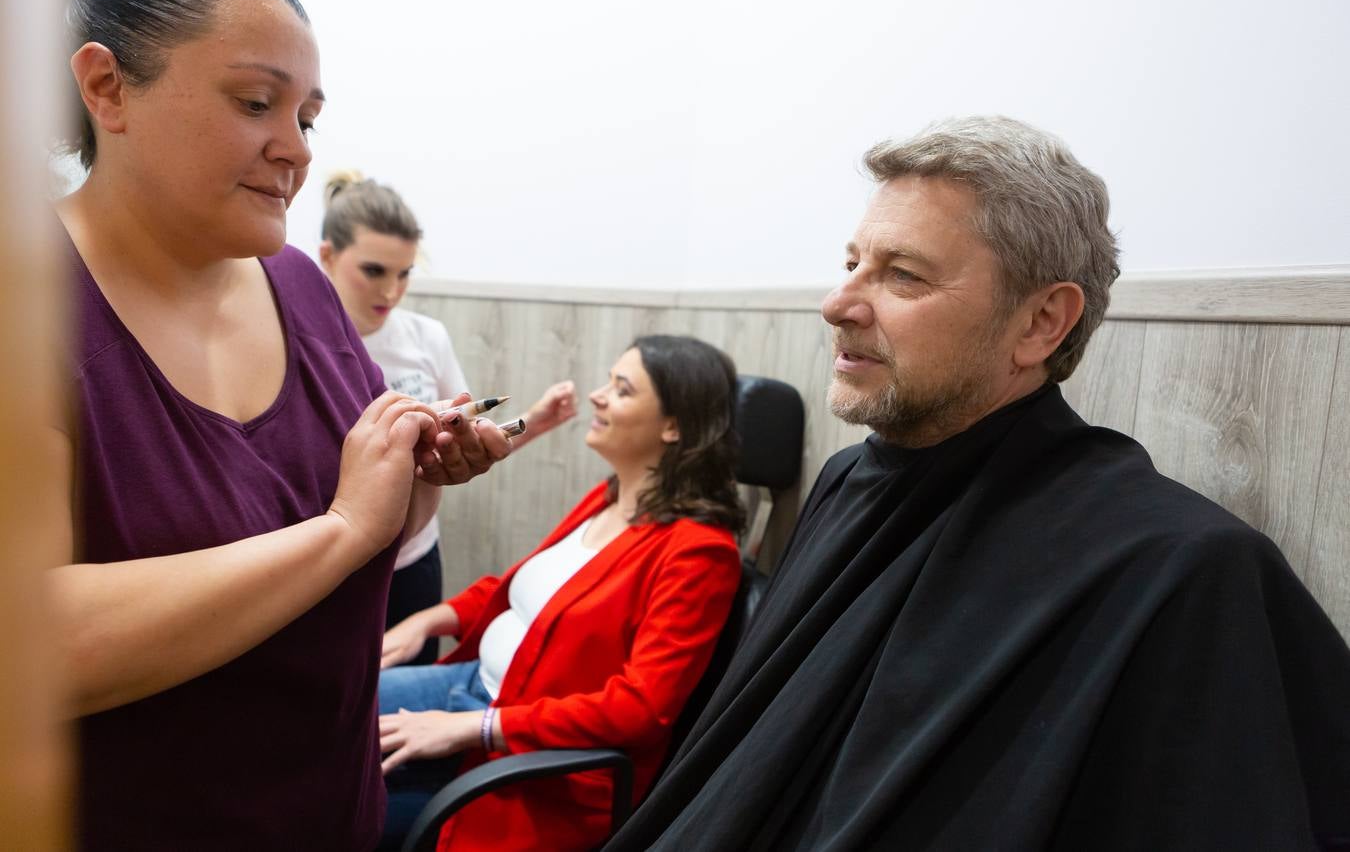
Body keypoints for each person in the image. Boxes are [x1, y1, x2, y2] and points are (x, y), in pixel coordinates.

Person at [605, 117, 1350, 851]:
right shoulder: (847, 480)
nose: (839, 305)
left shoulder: (1177, 568)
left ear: (1041, 324)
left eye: (902, 275)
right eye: (852, 263)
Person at [50, 0, 509, 849]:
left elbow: (351, 531)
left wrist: (415, 477)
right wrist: (341, 528)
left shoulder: (299, 286)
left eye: (306, 116)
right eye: (256, 104)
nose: (298, 149)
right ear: (108, 88)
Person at [376, 335, 746, 851]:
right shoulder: (609, 497)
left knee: (331, 799)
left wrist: (473, 728)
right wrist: (429, 620)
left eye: (620, 389)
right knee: (320, 713)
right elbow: (531, 590)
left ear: (673, 425)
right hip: (474, 687)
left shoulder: (700, 554)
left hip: (528, 758)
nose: (598, 395)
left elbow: (639, 709)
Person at [319, 171, 577, 656]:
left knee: (401, 712)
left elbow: (467, 442)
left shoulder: (425, 338)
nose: (392, 291)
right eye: (374, 271)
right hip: (332, 562)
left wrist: (536, 421)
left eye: (405, 273)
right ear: (328, 256)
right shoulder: (299, 343)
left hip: (413, 559)